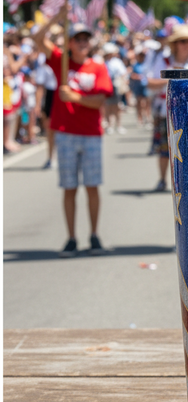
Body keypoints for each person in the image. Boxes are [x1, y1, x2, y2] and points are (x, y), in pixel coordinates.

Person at [33, 17, 114, 257]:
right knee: (69, 188)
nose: (82, 42)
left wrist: (76, 98)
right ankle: (71, 238)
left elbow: (100, 99)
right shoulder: (61, 62)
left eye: (85, 39)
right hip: (66, 133)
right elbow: (38, 39)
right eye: (77, 39)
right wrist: (55, 18)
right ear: (69, 42)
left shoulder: (97, 67)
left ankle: (94, 235)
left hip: (90, 133)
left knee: (92, 186)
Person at [146, 24, 188, 192]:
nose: (186, 44)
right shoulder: (163, 61)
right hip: (166, 110)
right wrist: (173, 79)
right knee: (163, 148)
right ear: (175, 44)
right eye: (182, 41)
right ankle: (162, 179)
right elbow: (150, 82)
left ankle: (187, 182)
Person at [102, 42, 128, 134]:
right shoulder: (103, 62)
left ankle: (119, 125)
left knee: (117, 106)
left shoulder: (117, 62)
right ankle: (109, 125)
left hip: (116, 85)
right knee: (108, 106)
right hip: (106, 85)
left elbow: (123, 73)